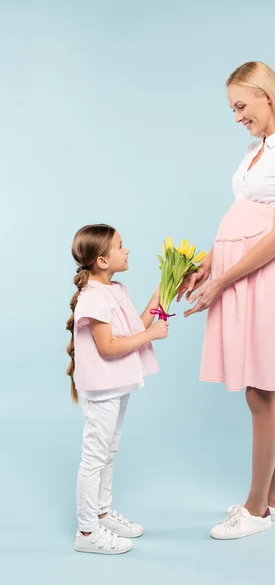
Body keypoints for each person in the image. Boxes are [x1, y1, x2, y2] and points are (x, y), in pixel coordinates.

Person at [178, 61, 275, 540]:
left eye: (241, 105)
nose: (237, 116)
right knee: (268, 389)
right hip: (240, 276)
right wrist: (208, 266)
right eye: (232, 108)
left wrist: (221, 281)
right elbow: (244, 220)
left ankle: (255, 509)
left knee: (261, 389)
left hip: (265, 280)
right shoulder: (256, 151)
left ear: (267, 96)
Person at [66, 224, 169, 554]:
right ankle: (86, 533)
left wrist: (155, 303)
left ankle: (102, 513)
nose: (127, 251)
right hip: (103, 387)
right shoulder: (93, 298)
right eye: (120, 246)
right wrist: (152, 335)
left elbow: (131, 330)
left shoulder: (115, 290)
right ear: (102, 261)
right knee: (95, 456)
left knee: (108, 451)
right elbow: (109, 347)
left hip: (117, 383)